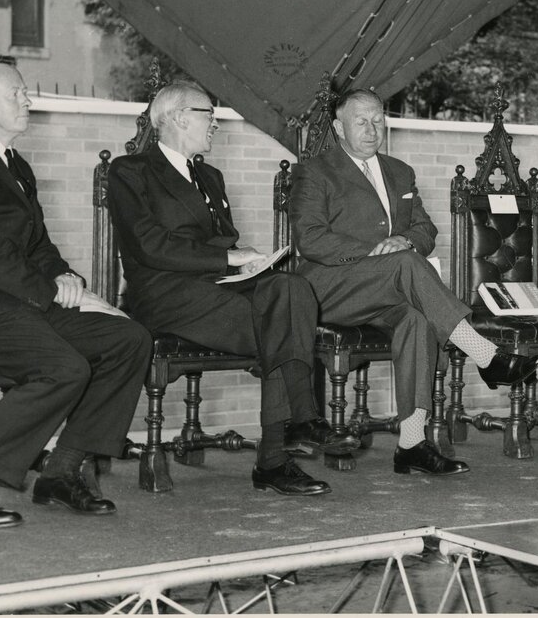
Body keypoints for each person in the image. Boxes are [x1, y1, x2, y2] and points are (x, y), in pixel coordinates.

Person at [0, 57, 153, 528]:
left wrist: (72, 283)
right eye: (15, 93)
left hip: (14, 302)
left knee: (128, 340)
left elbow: (38, 245)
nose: (27, 100)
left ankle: (61, 473)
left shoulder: (15, 164)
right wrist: (50, 292)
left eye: (25, 92)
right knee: (63, 367)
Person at [107, 81, 357, 497]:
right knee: (280, 323)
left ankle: (297, 429)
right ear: (176, 117)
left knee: (291, 289)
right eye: (209, 115)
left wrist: (247, 257)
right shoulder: (130, 171)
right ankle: (283, 448)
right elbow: (147, 245)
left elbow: (224, 237)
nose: (215, 126)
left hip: (218, 288)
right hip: (164, 294)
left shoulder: (210, 175)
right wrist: (227, 258)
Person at [289, 89, 538, 477]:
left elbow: (426, 229)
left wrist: (405, 240)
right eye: (361, 122)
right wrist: (379, 251)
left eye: (378, 121)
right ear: (339, 128)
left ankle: (410, 443)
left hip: (388, 288)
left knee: (418, 318)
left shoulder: (399, 171)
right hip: (329, 288)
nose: (372, 129)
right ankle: (486, 356)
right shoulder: (314, 171)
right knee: (404, 264)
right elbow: (310, 238)